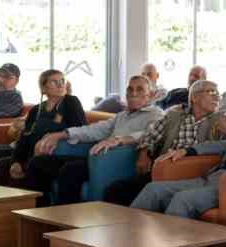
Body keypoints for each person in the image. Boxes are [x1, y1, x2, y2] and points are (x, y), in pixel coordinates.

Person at [130, 96, 226, 219]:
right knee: (152, 190)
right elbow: (223, 145)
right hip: (212, 177)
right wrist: (188, 151)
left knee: (183, 199)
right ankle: (130, 236)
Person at [27, 74, 164, 205]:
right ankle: (38, 212)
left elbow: (148, 134)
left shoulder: (156, 114)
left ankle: (62, 220)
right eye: (130, 89)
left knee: (71, 170)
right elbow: (94, 130)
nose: (133, 93)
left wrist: (119, 140)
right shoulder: (122, 116)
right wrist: (61, 134)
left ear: (150, 95)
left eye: (140, 89)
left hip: (115, 161)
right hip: (97, 157)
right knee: (39, 162)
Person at [101, 79, 226, 206]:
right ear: (195, 97)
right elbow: (151, 134)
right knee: (116, 190)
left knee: (144, 191)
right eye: (212, 92)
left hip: (192, 170)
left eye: (218, 93)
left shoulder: (221, 117)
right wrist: (144, 152)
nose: (217, 96)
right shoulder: (174, 115)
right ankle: (121, 225)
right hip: (163, 167)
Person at [0, 69, 85, 186]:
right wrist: (16, 161)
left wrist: (56, 137)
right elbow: (25, 137)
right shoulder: (36, 110)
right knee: (2, 165)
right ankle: (2, 202)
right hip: (31, 153)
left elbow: (80, 129)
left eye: (62, 80)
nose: (60, 84)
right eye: (54, 82)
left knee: (35, 163)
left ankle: (34, 202)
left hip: (56, 153)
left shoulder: (71, 102)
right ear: (43, 88)